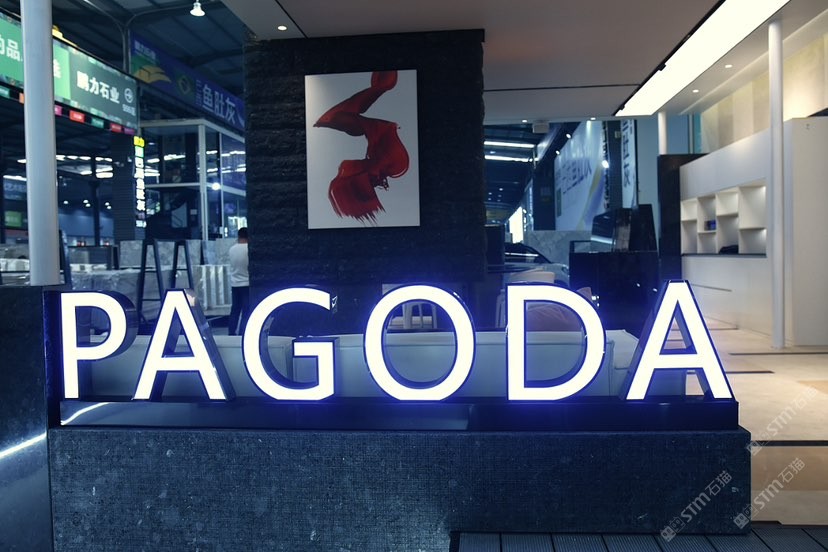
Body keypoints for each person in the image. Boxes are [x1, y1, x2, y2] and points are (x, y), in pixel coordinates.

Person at [227, 227, 249, 336]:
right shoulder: (248, 249)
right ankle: (243, 333)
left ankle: (231, 332)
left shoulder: (232, 249)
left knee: (235, 310)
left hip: (235, 283)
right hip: (246, 283)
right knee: (246, 311)